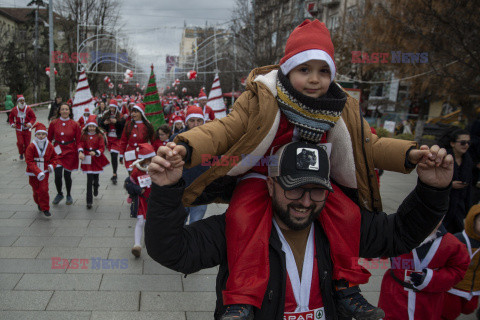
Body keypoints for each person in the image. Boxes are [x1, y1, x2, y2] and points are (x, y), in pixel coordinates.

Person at [172, 19, 425, 319]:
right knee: (242, 217)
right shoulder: (261, 98)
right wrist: (187, 147)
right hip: (264, 173)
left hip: (315, 176)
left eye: (323, 71)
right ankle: (241, 297)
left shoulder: (340, 107)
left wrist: (409, 154)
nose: (314, 79)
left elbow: (368, 145)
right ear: (287, 70)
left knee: (347, 214)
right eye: (304, 69)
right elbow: (224, 131)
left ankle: (346, 286)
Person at [145, 141, 453, 320]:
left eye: (316, 191)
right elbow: (172, 250)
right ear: (270, 184)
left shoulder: (340, 227)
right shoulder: (238, 228)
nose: (305, 202)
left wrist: (433, 190)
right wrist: (165, 190)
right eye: (294, 190)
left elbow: (399, 233)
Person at [378, 220, 469, 319]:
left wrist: (431, 278)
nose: (428, 218)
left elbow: (458, 270)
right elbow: (376, 248)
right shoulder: (398, 233)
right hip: (394, 296)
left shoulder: (452, 244)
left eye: (435, 214)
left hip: (428, 302)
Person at [171, 106, 210, 225]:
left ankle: (192, 243)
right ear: (186, 121)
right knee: (179, 224)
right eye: (192, 120)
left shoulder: (209, 139)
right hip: (181, 190)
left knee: (196, 224)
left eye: (199, 120)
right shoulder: (177, 138)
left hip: (200, 190)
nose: (195, 124)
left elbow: (215, 162)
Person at [442, 204, 480, 319]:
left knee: (470, 308)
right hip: (454, 288)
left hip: (474, 288)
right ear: (472, 221)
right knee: (449, 313)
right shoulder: (458, 239)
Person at [47, 103, 81, 205]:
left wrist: (80, 151)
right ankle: (59, 193)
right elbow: (49, 138)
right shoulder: (53, 123)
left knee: (67, 175)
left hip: (70, 151)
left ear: (69, 111)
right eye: (63, 109)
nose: (65, 111)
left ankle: (69, 195)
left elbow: (79, 141)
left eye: (66, 109)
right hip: (57, 151)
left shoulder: (75, 124)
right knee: (57, 175)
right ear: (59, 111)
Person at [127, 143, 155, 257]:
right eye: (149, 159)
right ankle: (137, 245)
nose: (152, 161)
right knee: (140, 221)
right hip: (141, 200)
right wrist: (138, 189)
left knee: (152, 222)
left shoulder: (158, 168)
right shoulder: (136, 170)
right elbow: (129, 184)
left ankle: (152, 245)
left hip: (154, 200)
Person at [443, 129, 473, 234]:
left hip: (459, 207)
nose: (466, 145)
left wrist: (468, 209)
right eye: (463, 142)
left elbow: (469, 188)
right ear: (452, 143)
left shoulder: (468, 161)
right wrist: (450, 185)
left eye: (468, 142)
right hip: (444, 206)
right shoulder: (443, 159)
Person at [25, 122, 58, 217]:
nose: (41, 136)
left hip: (44, 171)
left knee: (44, 189)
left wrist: (52, 165)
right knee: (36, 191)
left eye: (43, 134)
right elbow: (29, 161)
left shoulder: (49, 145)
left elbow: (55, 157)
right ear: (35, 135)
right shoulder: (31, 146)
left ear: (46, 135)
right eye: (39, 134)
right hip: (33, 172)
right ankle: (38, 202)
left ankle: (45, 208)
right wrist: (37, 172)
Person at [78, 115, 110, 209]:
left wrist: (96, 152)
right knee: (89, 180)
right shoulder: (84, 135)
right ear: (87, 126)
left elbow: (102, 147)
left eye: (93, 126)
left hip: (96, 158)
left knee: (95, 178)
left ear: (95, 127)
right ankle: (89, 201)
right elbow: (81, 144)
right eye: (90, 126)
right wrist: (80, 151)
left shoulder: (99, 135)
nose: (91, 128)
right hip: (87, 158)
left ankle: (96, 186)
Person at [118, 103, 154, 173]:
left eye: (136, 112)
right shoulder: (128, 124)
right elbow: (123, 141)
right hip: (130, 153)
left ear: (141, 113)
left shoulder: (147, 126)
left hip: (142, 154)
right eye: (132, 111)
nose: (133, 114)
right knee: (131, 175)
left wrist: (153, 155)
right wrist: (121, 155)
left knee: (141, 175)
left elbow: (153, 141)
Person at [99, 99, 126, 184]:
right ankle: (114, 172)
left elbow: (123, 125)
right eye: (111, 107)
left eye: (113, 108)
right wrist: (105, 123)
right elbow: (100, 123)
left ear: (116, 108)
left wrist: (117, 122)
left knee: (114, 156)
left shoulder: (119, 115)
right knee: (112, 156)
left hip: (117, 139)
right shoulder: (106, 114)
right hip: (109, 138)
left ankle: (114, 174)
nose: (112, 109)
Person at [9, 95, 36, 160]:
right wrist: (12, 124)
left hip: (27, 129)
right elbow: (10, 117)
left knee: (27, 144)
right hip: (19, 128)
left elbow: (33, 117)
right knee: (20, 143)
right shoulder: (15, 109)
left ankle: (27, 156)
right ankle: (21, 152)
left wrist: (30, 123)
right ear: (18, 101)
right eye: (21, 101)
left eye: (23, 100)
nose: (22, 102)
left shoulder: (28, 109)